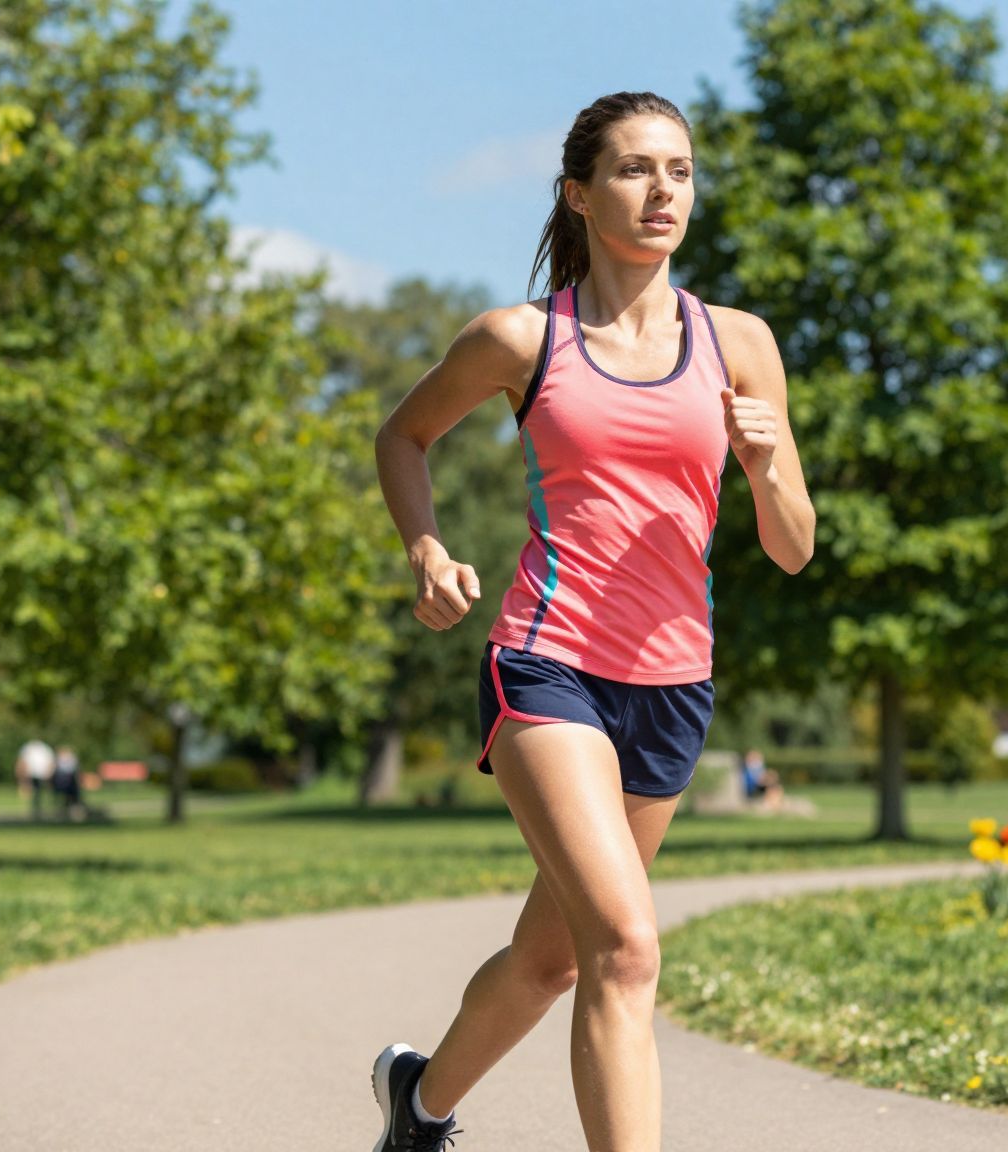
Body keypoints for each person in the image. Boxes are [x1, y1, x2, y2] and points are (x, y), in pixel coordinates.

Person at [369, 91, 814, 1152]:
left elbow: (793, 544)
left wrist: (761, 468)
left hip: (672, 682)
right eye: (634, 169)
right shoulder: (522, 338)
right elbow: (403, 437)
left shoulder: (739, 343)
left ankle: (418, 1107)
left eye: (681, 171)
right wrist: (427, 552)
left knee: (554, 958)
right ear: (578, 192)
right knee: (624, 947)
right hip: (547, 660)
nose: (663, 191)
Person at [14, 737, 54, 822]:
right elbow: (22, 762)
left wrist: (48, 773)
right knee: (33, 793)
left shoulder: (44, 748)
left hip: (41, 774)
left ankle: (39, 809)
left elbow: (50, 762)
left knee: (39, 793)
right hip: (31, 774)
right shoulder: (28, 748)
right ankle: (34, 810)